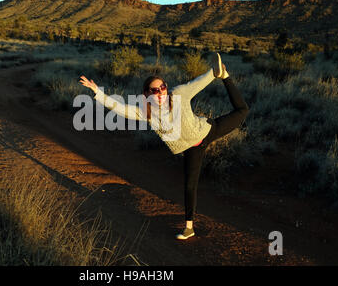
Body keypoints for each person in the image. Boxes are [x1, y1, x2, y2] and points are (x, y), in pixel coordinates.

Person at [79, 53, 249, 240]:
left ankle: (226, 77)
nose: (160, 92)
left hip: (208, 130)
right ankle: (189, 228)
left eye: (163, 87)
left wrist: (215, 72)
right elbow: (122, 109)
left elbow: (197, 83)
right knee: (190, 185)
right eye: (155, 90)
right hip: (192, 148)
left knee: (243, 111)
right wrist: (98, 92)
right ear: (146, 94)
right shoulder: (147, 113)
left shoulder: (178, 94)